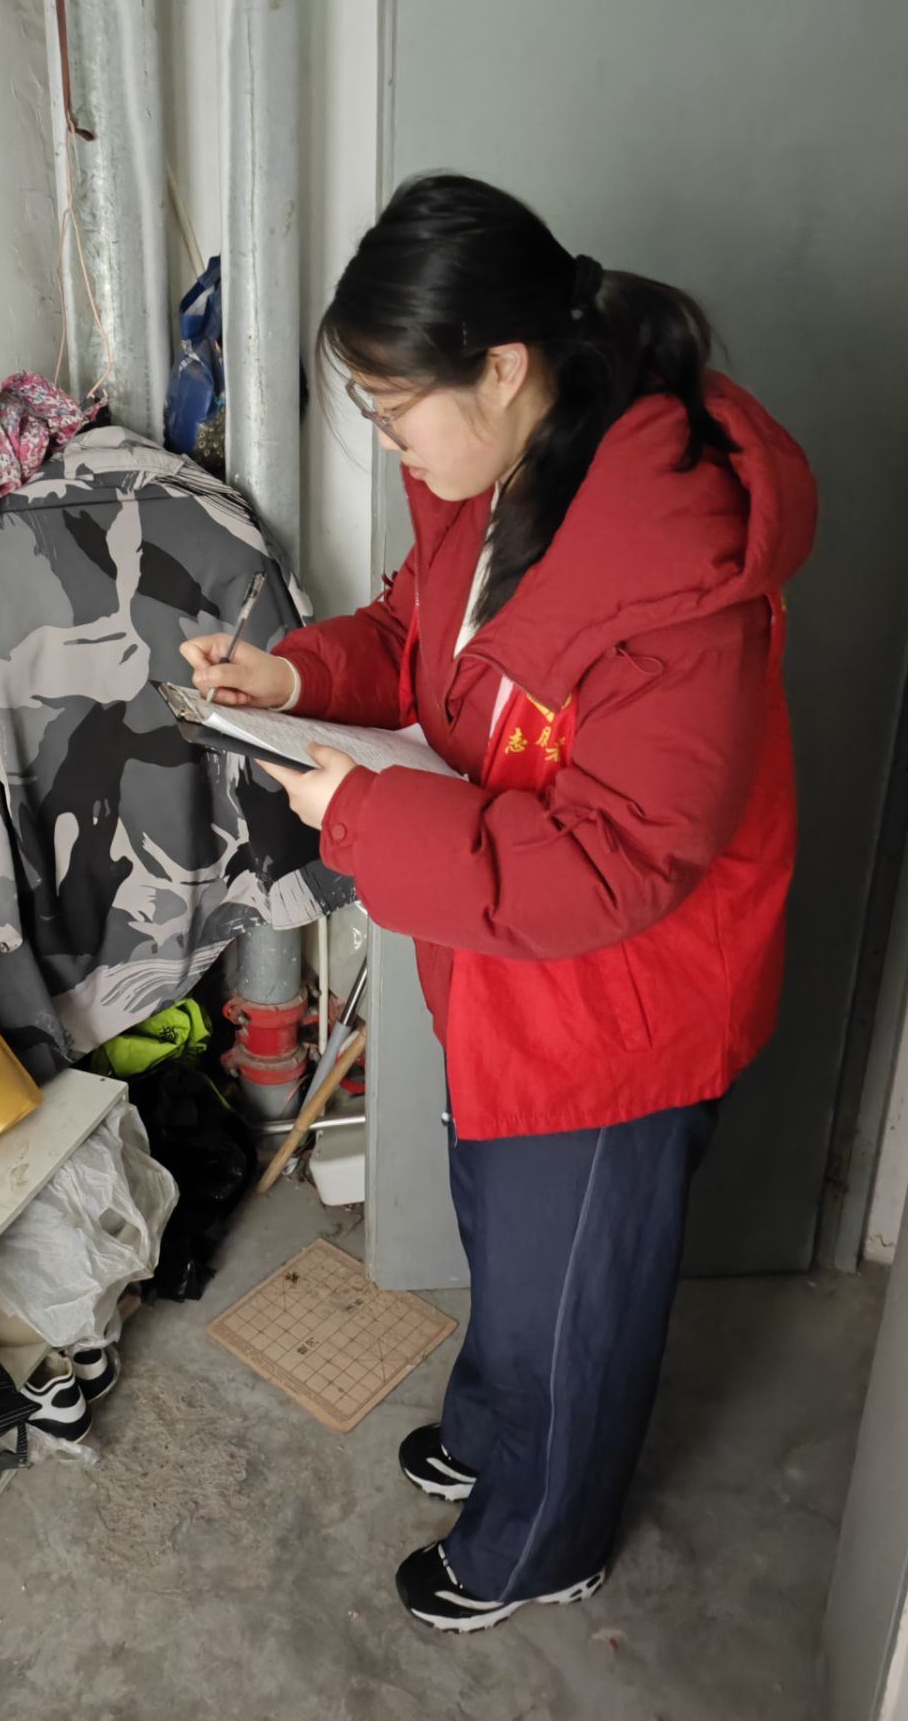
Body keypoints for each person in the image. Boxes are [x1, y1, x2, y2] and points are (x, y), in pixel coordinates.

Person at [180, 173, 817, 1633]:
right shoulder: (507, 480)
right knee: (503, 1235)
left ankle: (543, 1538)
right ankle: (493, 1431)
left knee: (570, 1297)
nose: (385, 436)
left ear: (506, 366)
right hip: (510, 965)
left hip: (619, 1009)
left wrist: (364, 815)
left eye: (392, 406)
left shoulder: (676, 572)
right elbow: (418, 639)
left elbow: (618, 864)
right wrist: (294, 675)